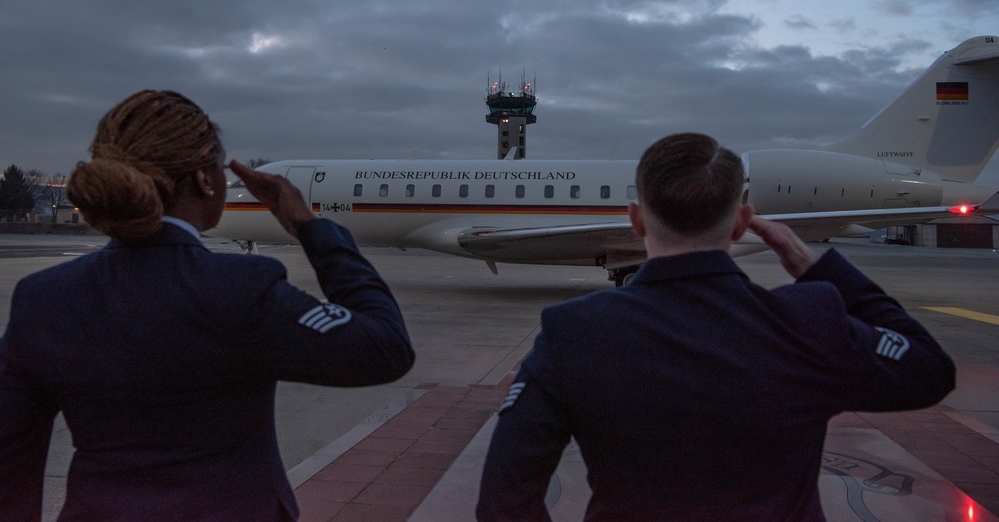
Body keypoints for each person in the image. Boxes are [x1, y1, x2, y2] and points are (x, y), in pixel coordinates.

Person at [476, 132, 955, 521]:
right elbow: (929, 369)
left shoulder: (571, 333)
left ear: (636, 220)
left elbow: (503, 501)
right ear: (742, 222)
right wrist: (823, 272)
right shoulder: (811, 320)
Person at [0, 90, 415, 521]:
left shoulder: (43, 299)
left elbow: (8, 458)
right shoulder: (242, 289)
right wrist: (310, 228)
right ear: (204, 180)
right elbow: (385, 348)